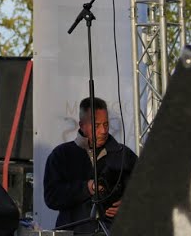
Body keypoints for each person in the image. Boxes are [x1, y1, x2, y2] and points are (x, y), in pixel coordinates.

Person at [43, 96, 138, 234]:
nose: (103, 131)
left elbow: (145, 189)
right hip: (74, 231)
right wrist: (86, 187)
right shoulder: (61, 155)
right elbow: (52, 197)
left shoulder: (123, 155)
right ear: (82, 125)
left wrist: (129, 203)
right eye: (97, 125)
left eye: (106, 124)